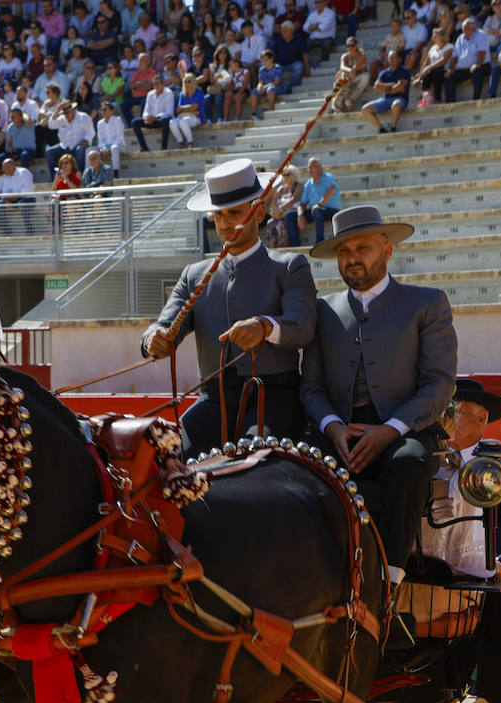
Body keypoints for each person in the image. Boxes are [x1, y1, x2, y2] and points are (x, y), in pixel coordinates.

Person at [299, 205, 458, 580]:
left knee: (408, 463)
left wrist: (389, 430)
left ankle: (389, 578)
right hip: (339, 433)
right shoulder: (323, 311)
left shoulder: (427, 302)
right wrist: (334, 428)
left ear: (387, 250)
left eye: (362, 249)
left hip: (403, 432)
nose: (352, 259)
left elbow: (438, 383)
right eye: (343, 252)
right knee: (292, 463)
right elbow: (311, 386)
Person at [142, 158, 316, 455]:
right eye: (218, 214)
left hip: (273, 396)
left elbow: (303, 327)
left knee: (253, 462)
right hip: (213, 400)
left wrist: (264, 326)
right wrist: (153, 339)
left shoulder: (289, 267)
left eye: (234, 213)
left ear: (258, 212)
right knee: (169, 460)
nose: (224, 223)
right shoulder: (193, 275)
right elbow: (165, 327)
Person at [446, 378, 501, 583]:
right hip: (434, 553)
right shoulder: (429, 460)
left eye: (456, 412)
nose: (447, 421)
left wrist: (476, 550)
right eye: (444, 413)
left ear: (481, 419)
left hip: (486, 555)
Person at [291, 157, 340, 249]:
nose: (309, 170)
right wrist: (300, 215)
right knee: (290, 215)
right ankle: (294, 245)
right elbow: (302, 204)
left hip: (331, 211)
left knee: (317, 211)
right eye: (308, 167)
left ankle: (319, 242)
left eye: (311, 167)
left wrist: (319, 205)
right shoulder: (308, 184)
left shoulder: (328, 177)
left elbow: (332, 189)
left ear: (319, 168)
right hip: (316, 212)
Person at [362, 49, 412, 133]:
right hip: (385, 100)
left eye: (394, 58)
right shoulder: (384, 73)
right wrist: (393, 84)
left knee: (396, 104)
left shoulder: (405, 71)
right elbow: (376, 86)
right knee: (365, 109)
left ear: (399, 59)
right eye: (390, 58)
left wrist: (386, 89)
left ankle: (393, 128)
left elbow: (401, 88)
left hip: (401, 99)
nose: (392, 60)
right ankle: (381, 129)